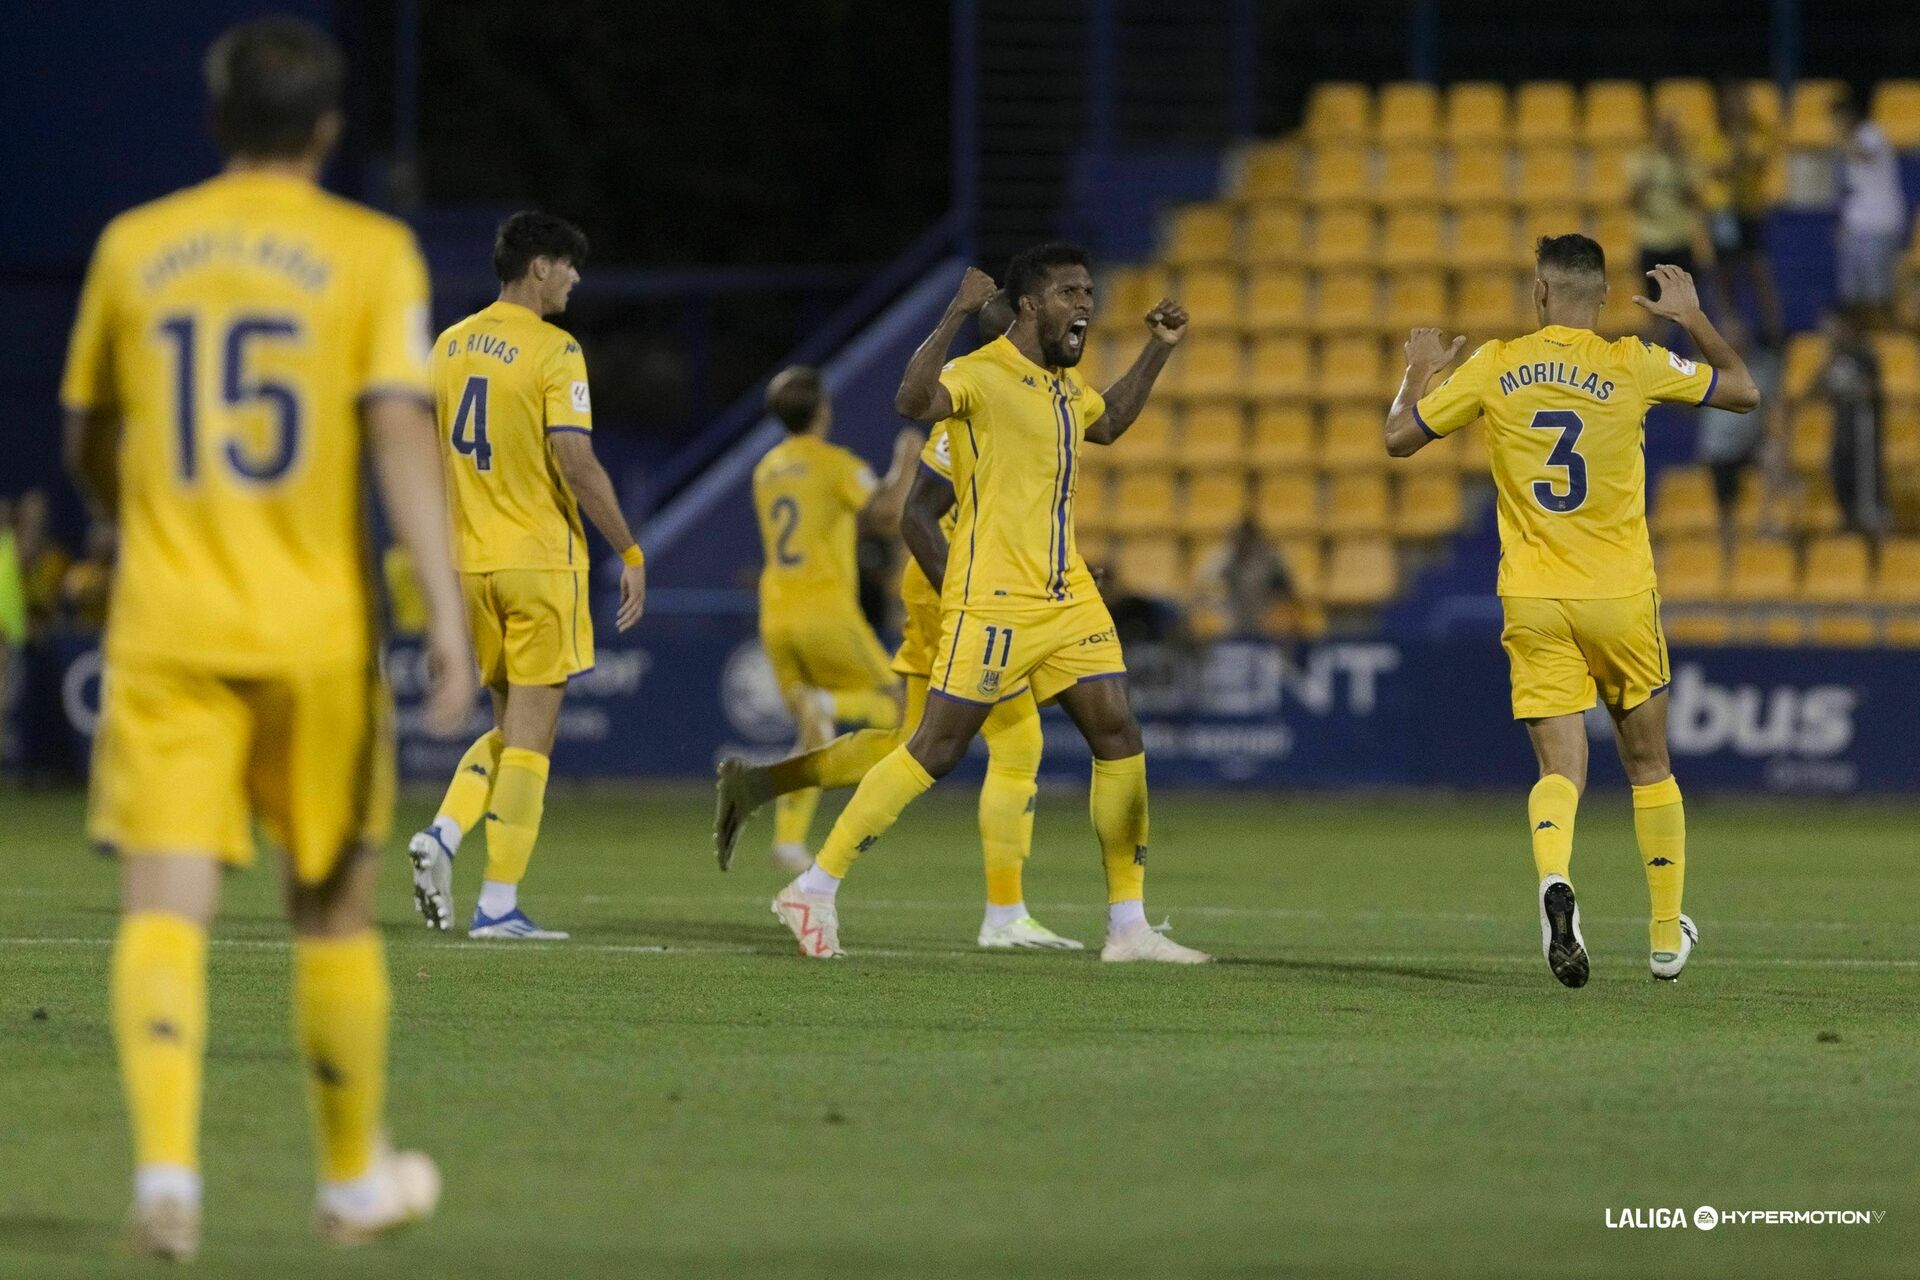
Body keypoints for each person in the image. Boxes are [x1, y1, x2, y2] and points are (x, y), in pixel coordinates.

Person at [59, 17, 475, 1258]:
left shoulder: (136, 246)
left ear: (216, 117)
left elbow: (90, 424)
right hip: (317, 635)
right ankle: (350, 1180)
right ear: (329, 127)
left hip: (168, 625)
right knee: (332, 914)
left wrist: (117, 513)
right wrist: (445, 607)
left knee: (164, 913)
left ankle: (170, 1178)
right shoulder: (369, 251)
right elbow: (400, 429)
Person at [767, 245, 1209, 963]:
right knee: (936, 750)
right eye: (1071, 292)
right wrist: (955, 312)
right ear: (1031, 304)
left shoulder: (1064, 387)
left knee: (1118, 734)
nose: (1086, 306)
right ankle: (814, 886)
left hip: (1069, 599)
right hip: (994, 600)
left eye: (1090, 292)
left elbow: (1111, 422)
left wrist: (1159, 350)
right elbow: (911, 404)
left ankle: (1128, 924)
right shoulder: (979, 376)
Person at [1382, 236, 1759, 988]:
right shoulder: (1634, 363)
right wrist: (1692, 318)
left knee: (1561, 769)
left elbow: (1398, 437)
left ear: (1540, 294)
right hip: (1620, 597)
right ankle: (1662, 936)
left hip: (1534, 597)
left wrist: (1418, 367)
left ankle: (1556, 879)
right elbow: (1745, 391)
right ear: (1607, 296)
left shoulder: (1495, 364)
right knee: (1649, 765)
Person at [714, 294, 1083, 950]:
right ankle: (998, 914)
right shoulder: (997, 391)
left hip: (922, 580)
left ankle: (765, 785)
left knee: (905, 743)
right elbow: (911, 508)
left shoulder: (971, 389)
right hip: (959, 583)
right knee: (1015, 742)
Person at [407, 212, 648, 940]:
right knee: (533, 743)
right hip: (540, 560)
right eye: (568, 266)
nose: (574, 279)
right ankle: (496, 902)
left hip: (472, 564)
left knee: (510, 730)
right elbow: (575, 460)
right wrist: (630, 552)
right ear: (539, 266)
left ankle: (445, 836)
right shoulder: (554, 348)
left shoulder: (448, 345)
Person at [736, 365, 919, 872]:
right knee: (902, 706)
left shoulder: (766, 469)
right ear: (823, 411)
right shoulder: (834, 463)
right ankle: (831, 700)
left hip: (776, 615)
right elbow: (885, 514)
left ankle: (789, 842)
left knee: (812, 734)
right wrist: (905, 461)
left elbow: (825, 525)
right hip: (827, 613)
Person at [1695, 317, 1783, 555]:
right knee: (1725, 507)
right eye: (1729, 335)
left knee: (1772, 457)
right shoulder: (1706, 370)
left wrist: (1775, 438)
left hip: (1750, 445)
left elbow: (1773, 407)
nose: (1735, 340)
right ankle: (1728, 556)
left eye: (1738, 335)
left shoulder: (1760, 370)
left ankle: (1767, 521)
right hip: (1719, 449)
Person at [1705, 81, 1784, 343]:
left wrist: (1739, 145)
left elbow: (1754, 161)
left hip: (1750, 211)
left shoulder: (1760, 133)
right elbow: (1716, 170)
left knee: (1758, 269)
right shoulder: (1713, 137)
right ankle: (1729, 326)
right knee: (1724, 272)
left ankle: (1772, 330)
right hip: (1723, 213)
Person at [1831, 92, 1908, 327]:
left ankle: (1888, 339)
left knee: (1879, 293)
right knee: (1852, 295)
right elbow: (1851, 191)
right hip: (1856, 226)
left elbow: (1864, 155)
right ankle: (1866, 339)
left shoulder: (1871, 133)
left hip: (1880, 223)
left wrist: (1843, 139)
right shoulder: (1844, 148)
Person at [1628, 117, 1705, 338]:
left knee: (1690, 308)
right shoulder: (1642, 159)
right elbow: (1632, 199)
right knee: (1653, 307)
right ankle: (1654, 357)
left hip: (1680, 239)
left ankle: (1694, 360)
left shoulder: (1685, 160)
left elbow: (1695, 198)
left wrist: (1678, 169)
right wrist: (1648, 175)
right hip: (1651, 240)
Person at [1818, 309, 1887, 540]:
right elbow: (1819, 390)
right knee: (1841, 474)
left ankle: (1873, 535)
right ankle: (1851, 526)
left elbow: (1873, 390)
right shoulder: (1834, 357)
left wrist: (1852, 389)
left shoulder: (1863, 354)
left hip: (1862, 427)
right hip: (1843, 428)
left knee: (1866, 483)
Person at [1197, 514, 1298, 638]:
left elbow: (1288, 589)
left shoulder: (1270, 558)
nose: (1243, 544)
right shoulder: (1223, 557)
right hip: (1230, 619)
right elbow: (1204, 584)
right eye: (1239, 540)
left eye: (1247, 540)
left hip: (1263, 618)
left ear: (1254, 540)